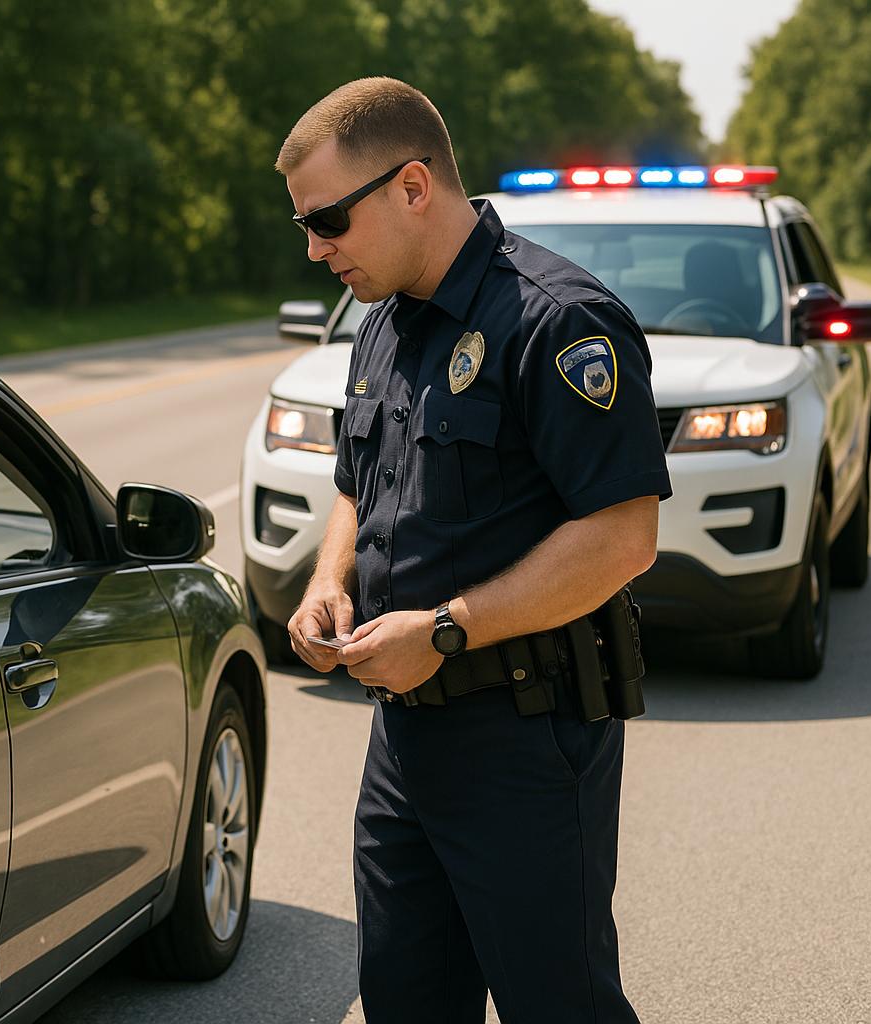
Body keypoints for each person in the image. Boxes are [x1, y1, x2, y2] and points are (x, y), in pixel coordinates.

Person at [278, 77, 670, 1023]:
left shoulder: (556, 320)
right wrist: (329, 579)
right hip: (404, 741)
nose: (314, 247)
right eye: (303, 224)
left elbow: (624, 537)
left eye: (329, 218)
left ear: (414, 186)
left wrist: (448, 631)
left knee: (559, 1003)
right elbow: (352, 484)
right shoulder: (383, 324)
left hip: (526, 739)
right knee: (406, 1002)